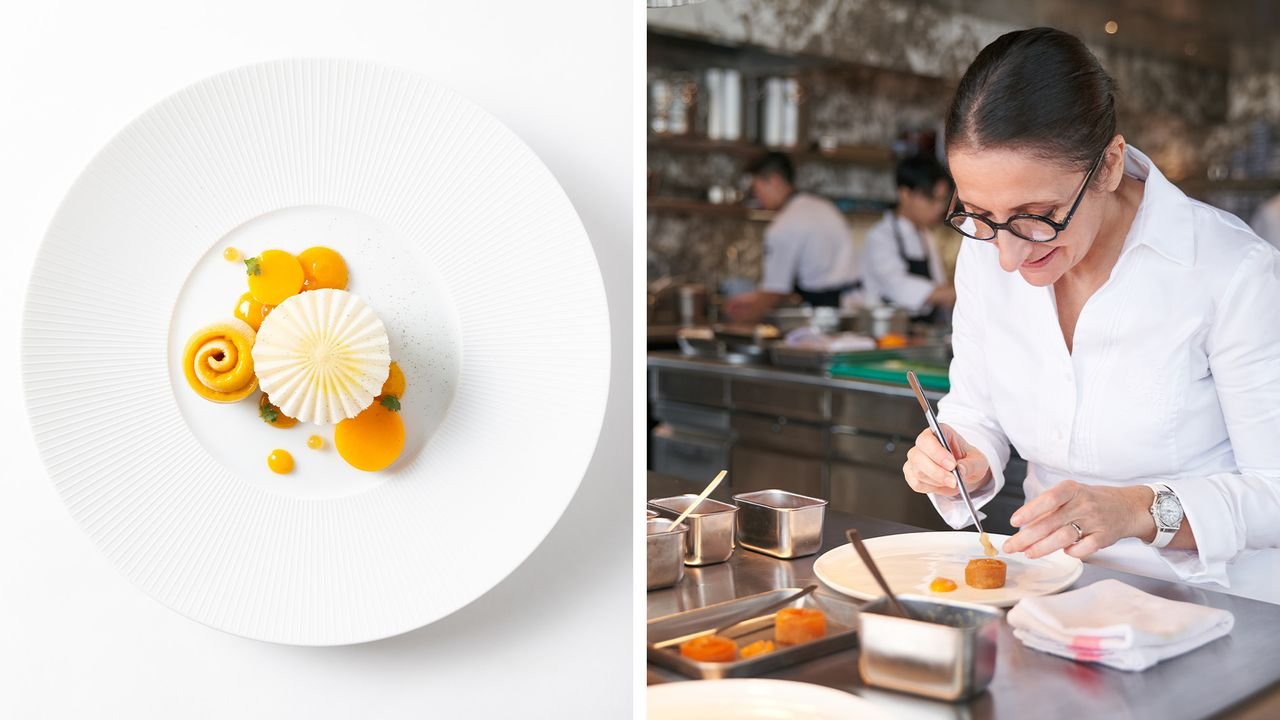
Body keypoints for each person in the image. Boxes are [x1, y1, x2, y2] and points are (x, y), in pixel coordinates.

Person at [901, 27, 1280, 603]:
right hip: (1052, 595)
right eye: (978, 214)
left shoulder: (1233, 273)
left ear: (1108, 165)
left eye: (1039, 214)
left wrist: (1139, 509)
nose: (1008, 254)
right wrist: (963, 457)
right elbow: (977, 408)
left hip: (1214, 609)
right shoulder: (987, 252)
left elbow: (1274, 493)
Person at [722, 152, 860, 322]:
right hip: (854, 313)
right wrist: (752, 298)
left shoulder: (783, 226)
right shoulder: (823, 206)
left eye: (756, 189)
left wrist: (742, 322)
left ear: (774, 181)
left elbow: (775, 291)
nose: (757, 197)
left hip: (822, 318)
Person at [860, 155, 956, 322]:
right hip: (887, 329)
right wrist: (958, 291)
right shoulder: (880, 237)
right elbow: (897, 286)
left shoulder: (926, 236)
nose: (940, 208)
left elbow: (939, 287)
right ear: (905, 194)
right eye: (932, 199)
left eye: (943, 200)